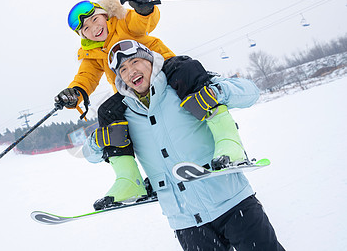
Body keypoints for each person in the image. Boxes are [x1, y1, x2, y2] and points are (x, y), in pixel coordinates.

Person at [82, 40, 285, 250]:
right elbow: (90, 155)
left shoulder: (183, 82)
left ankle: (229, 147)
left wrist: (217, 92)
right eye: (122, 69)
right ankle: (130, 182)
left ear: (151, 60)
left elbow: (250, 92)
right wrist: (97, 140)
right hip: (187, 223)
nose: (130, 71)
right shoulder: (121, 113)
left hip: (234, 204)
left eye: (135, 62)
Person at [55, 0, 175, 207]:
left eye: (94, 19)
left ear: (104, 15)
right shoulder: (93, 53)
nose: (93, 29)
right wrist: (76, 92)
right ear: (83, 36)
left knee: (186, 73)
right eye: (85, 29)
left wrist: (143, 9)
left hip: (163, 71)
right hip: (132, 91)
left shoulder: (122, 21)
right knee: (108, 111)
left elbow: (143, 22)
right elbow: (86, 76)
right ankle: (130, 179)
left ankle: (225, 139)